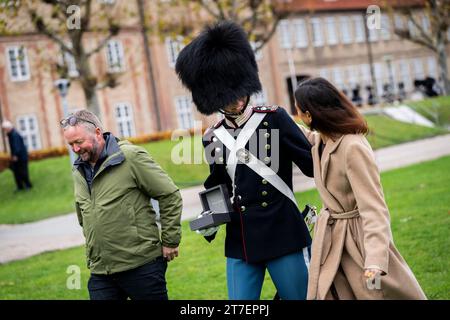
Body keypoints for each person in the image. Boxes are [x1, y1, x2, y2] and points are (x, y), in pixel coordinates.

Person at [175, 21, 314, 300]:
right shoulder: (212, 137)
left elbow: (312, 165)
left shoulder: (275, 118)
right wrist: (210, 219)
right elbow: (220, 184)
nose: (237, 101)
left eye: (240, 94)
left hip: (282, 232)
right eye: (228, 97)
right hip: (241, 239)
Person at [294, 77, 427, 300]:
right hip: (332, 240)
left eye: (298, 110)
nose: (297, 114)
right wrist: (270, 116)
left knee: (373, 293)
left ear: (310, 115)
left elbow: (374, 208)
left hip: (359, 243)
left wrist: (375, 260)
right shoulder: (322, 140)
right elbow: (302, 134)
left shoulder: (353, 147)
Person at [61, 110, 182, 300]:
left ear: (98, 133)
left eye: (79, 142)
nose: (75, 149)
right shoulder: (78, 170)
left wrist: (170, 240)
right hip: (101, 272)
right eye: (70, 145)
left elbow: (169, 194)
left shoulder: (131, 157)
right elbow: (83, 216)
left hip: (142, 267)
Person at [1, 120, 32, 191]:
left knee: (23, 171)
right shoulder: (11, 134)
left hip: (20, 157)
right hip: (17, 156)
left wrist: (15, 155)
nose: (5, 131)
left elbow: (16, 146)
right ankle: (20, 186)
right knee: (16, 172)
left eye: (5, 129)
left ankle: (28, 185)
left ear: (8, 128)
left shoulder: (14, 135)